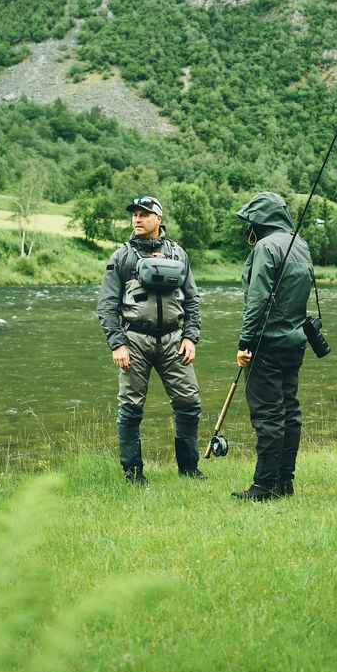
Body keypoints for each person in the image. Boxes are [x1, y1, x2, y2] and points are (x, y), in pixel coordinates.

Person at [97, 195, 205, 485]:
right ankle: (134, 475)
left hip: (174, 339)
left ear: (158, 218)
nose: (137, 218)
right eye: (134, 214)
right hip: (134, 340)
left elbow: (192, 300)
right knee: (130, 409)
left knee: (189, 404)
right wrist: (117, 343)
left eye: (144, 214)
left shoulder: (178, 254)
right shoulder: (122, 257)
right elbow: (106, 305)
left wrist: (190, 336)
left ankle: (189, 471)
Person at [231, 191, 315, 501]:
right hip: (295, 343)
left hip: (265, 345)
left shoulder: (265, 248)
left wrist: (245, 342)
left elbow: (257, 299)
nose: (248, 227)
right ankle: (284, 483)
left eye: (250, 222)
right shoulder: (300, 245)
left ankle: (264, 487)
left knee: (268, 416)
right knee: (289, 413)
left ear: (259, 220)